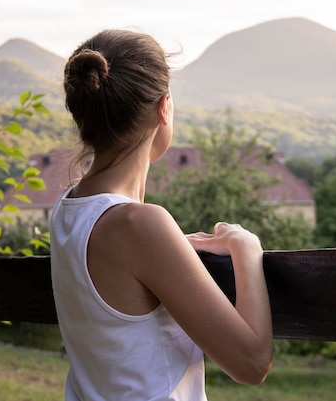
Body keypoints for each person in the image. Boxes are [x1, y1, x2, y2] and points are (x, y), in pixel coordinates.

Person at [49, 29, 273, 401]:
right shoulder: (140, 225)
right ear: (163, 107)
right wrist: (246, 248)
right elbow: (251, 363)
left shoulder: (65, 211)